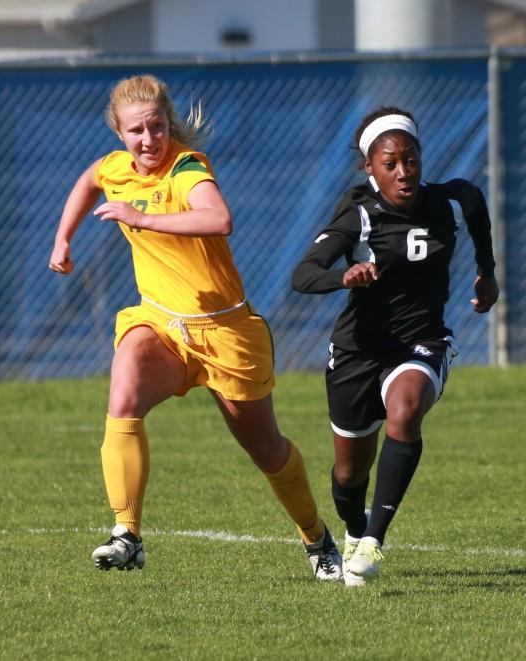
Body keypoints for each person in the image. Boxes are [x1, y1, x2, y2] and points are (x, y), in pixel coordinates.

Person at [48, 74, 342, 578]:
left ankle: (317, 538)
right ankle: (128, 533)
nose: (148, 140)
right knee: (123, 393)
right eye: (137, 131)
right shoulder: (117, 168)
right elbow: (89, 180)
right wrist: (62, 240)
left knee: (265, 448)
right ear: (119, 133)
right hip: (161, 325)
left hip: (225, 332)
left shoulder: (187, 169)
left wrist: (140, 218)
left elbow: (218, 218)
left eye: (157, 127)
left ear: (170, 125)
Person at [291, 106, 499, 585]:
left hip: (422, 341)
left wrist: (487, 273)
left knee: (405, 410)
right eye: (391, 164)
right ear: (370, 168)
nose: (404, 172)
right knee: (347, 478)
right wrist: (344, 275)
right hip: (356, 352)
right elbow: (302, 275)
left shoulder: (450, 201)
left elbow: (477, 210)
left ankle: (373, 543)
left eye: (412, 159)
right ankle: (354, 527)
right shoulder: (358, 214)